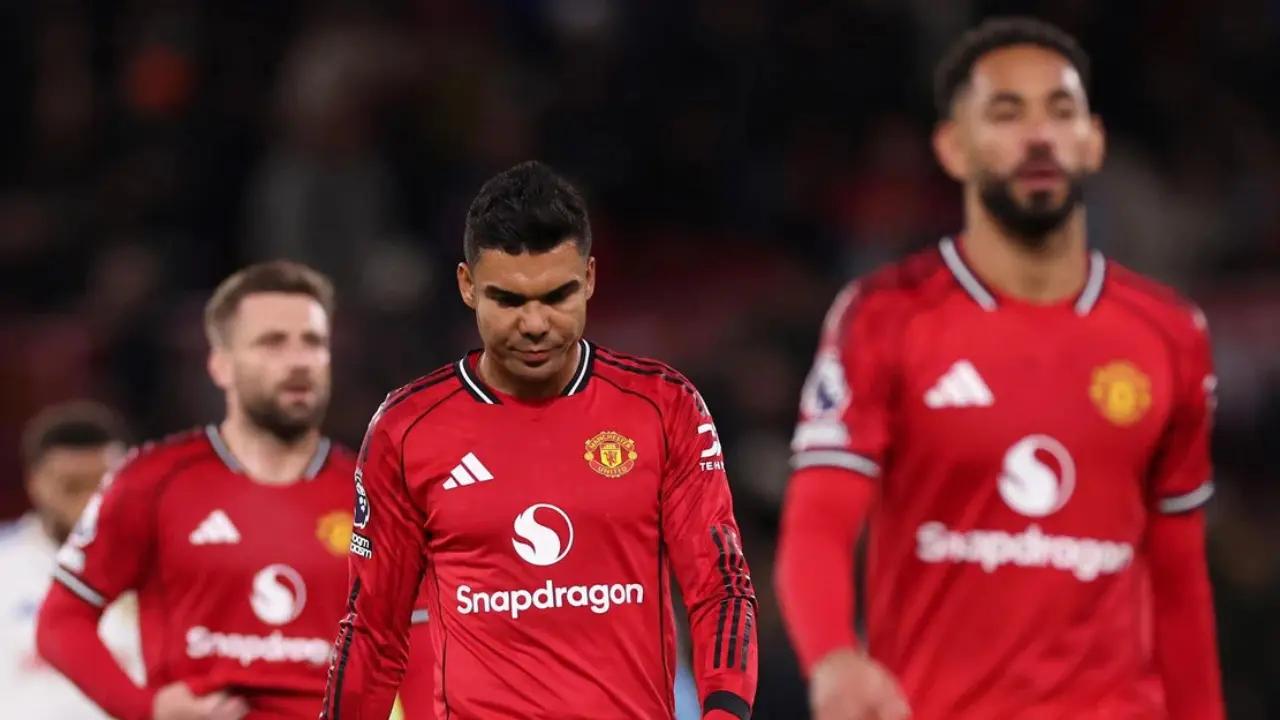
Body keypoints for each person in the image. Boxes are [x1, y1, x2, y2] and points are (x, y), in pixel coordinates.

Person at [774, 17, 1223, 720]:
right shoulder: (885, 316)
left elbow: (1178, 575)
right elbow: (820, 521)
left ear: (1093, 141)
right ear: (953, 147)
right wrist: (832, 657)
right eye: (1007, 113)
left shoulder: (1169, 334)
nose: (1039, 135)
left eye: (1061, 110)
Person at [320, 160, 758, 720]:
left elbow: (719, 586)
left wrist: (723, 712)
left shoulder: (663, 408)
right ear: (467, 287)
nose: (534, 323)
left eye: (557, 296)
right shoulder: (407, 430)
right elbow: (374, 633)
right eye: (508, 300)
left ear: (592, 279)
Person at [36, 261, 387, 720]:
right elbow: (61, 622)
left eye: (313, 342)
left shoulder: (372, 494)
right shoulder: (151, 480)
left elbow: (419, 637)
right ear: (220, 365)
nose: (299, 360)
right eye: (272, 342)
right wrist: (148, 708)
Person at [0, 402, 143, 717]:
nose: (89, 502)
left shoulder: (166, 568)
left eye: (103, 484)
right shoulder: (5, 564)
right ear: (34, 483)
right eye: (71, 487)